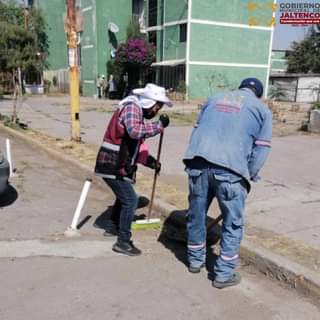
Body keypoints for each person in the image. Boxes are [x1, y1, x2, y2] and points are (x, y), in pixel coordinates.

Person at [183, 78, 272, 288]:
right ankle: (223, 274)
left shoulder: (213, 99)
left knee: (196, 215)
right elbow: (262, 150)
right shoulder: (262, 110)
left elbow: (196, 131)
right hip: (231, 172)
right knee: (233, 223)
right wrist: (249, 174)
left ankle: (195, 261)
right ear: (258, 93)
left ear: (240, 87)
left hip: (198, 163)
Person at [95, 83, 172, 256]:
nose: (157, 111)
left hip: (116, 162)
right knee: (130, 200)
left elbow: (133, 145)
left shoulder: (135, 109)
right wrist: (159, 126)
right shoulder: (132, 107)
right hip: (112, 162)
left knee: (123, 197)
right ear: (150, 102)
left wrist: (150, 161)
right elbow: (135, 132)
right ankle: (123, 242)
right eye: (157, 106)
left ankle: (114, 227)